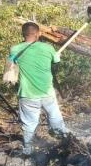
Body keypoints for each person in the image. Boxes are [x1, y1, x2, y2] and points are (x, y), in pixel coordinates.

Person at [9, 22, 69, 156]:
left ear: (23, 34)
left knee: (29, 124)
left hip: (27, 95)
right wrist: (56, 57)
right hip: (47, 93)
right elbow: (56, 62)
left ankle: (28, 149)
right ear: (37, 34)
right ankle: (66, 141)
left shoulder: (15, 49)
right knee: (55, 118)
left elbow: (10, 63)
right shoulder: (48, 48)